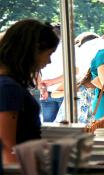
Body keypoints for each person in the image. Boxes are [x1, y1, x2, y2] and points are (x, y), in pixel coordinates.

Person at [0, 19, 59, 164]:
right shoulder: (8, 87)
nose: (49, 61)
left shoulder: (9, 83)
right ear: (33, 51)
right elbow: (6, 147)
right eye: (49, 54)